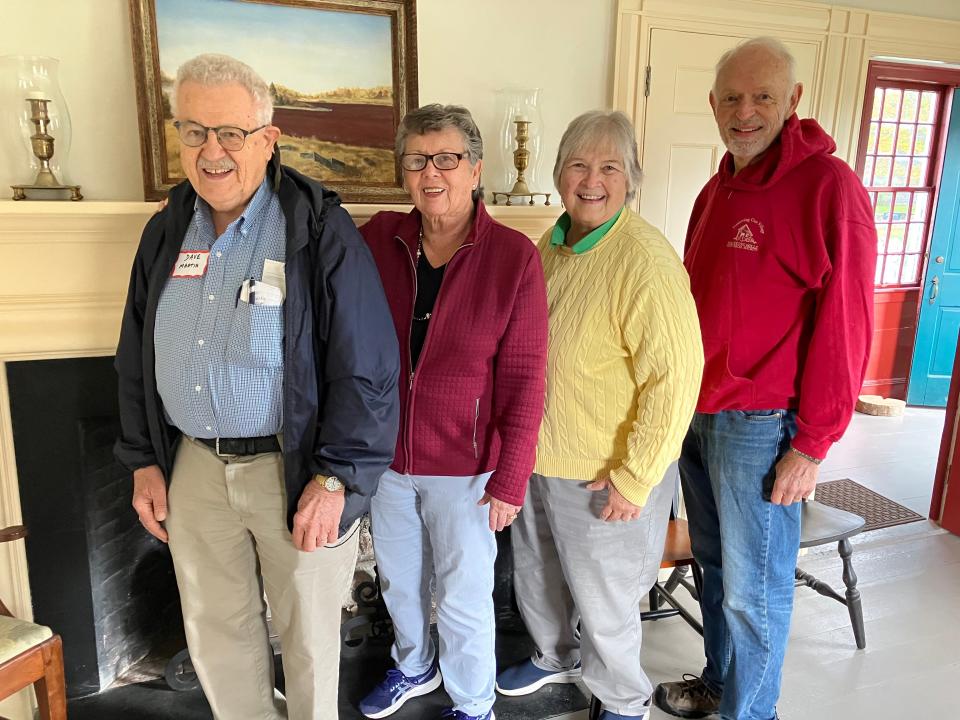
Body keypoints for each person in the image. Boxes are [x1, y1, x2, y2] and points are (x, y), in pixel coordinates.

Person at [114, 53, 400, 720]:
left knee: (306, 645)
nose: (211, 150)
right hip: (194, 468)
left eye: (230, 133)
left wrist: (336, 479)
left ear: (268, 139)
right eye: (193, 131)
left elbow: (368, 367)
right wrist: (144, 461)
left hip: (294, 471)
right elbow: (134, 355)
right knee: (218, 635)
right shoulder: (164, 232)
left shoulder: (315, 227)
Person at [653, 37, 876, 720]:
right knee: (717, 572)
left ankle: (750, 714)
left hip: (762, 425)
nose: (744, 112)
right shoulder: (716, 186)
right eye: (731, 98)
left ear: (794, 102)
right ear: (713, 104)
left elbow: (849, 323)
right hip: (700, 415)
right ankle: (720, 685)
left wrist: (813, 444)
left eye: (762, 98)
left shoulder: (829, 189)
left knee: (756, 588)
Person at [495, 110, 704, 720]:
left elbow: (675, 379)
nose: (592, 180)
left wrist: (634, 477)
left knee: (606, 597)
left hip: (604, 471)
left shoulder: (644, 260)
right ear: (559, 175)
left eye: (609, 167)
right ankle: (554, 655)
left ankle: (622, 699)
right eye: (579, 165)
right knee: (539, 575)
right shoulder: (553, 243)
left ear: (630, 179)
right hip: (540, 456)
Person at [357, 103, 548, 720]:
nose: (431, 172)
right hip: (387, 461)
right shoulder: (378, 239)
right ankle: (413, 665)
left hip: (466, 470)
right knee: (399, 582)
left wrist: (511, 479)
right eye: (417, 160)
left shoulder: (513, 257)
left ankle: (472, 702)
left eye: (447, 158)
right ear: (403, 172)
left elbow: (524, 377)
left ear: (475, 169)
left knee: (464, 597)